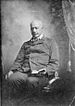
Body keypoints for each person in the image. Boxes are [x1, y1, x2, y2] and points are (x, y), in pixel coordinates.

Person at [5, 20, 59, 92]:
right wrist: (11, 71)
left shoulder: (51, 42)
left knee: (31, 81)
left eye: (36, 28)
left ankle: (31, 102)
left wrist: (46, 70)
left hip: (41, 75)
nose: (34, 31)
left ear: (42, 29)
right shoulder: (26, 44)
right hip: (25, 72)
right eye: (32, 28)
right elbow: (18, 60)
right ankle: (19, 101)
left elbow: (55, 63)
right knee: (12, 79)